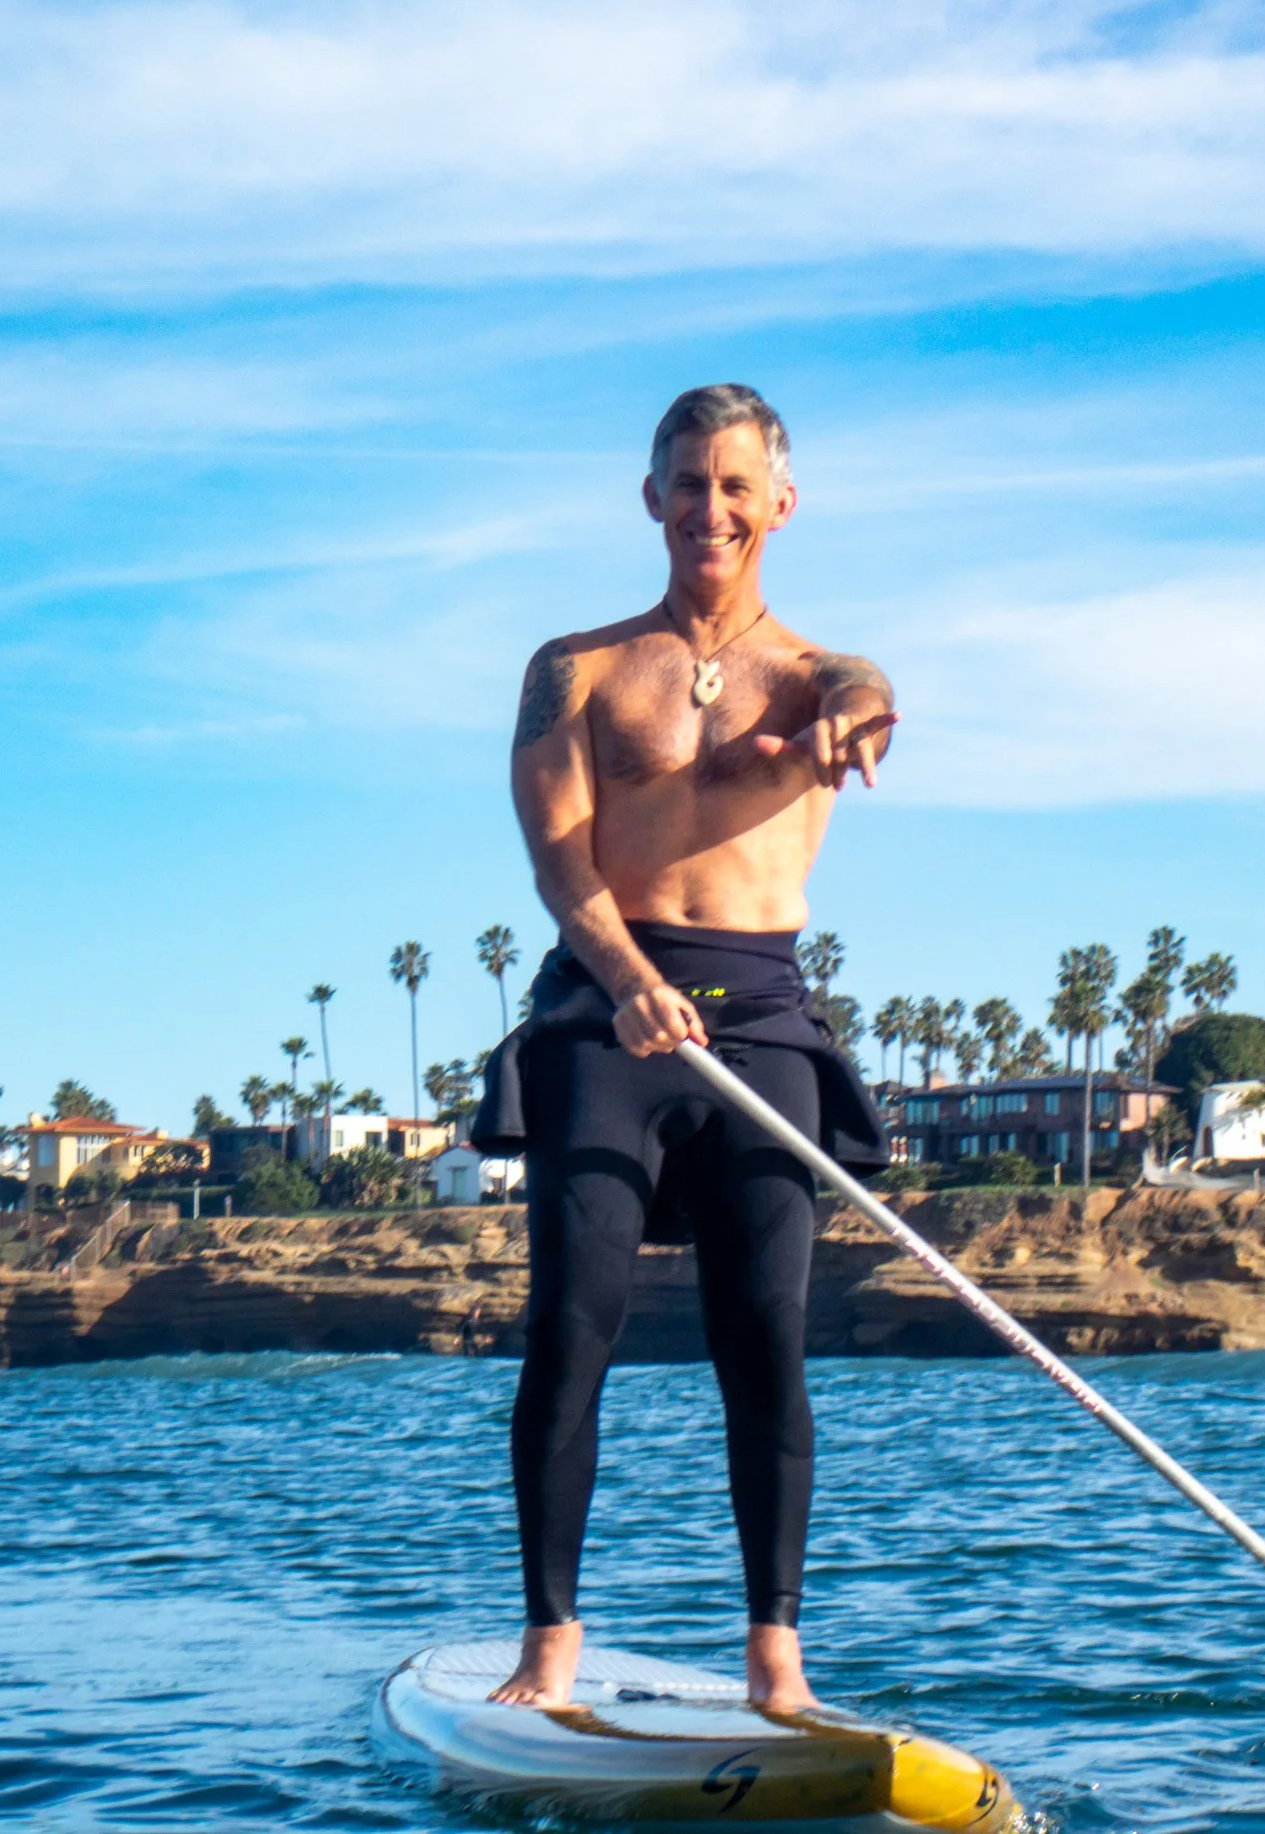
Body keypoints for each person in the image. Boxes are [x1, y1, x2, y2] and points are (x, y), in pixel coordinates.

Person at [470, 384, 896, 1712]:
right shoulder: (575, 667)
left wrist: (851, 722)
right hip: (607, 1009)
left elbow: (868, 696)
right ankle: (549, 1649)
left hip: (764, 1019)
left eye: (734, 484)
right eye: (685, 482)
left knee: (763, 1331)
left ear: (779, 501)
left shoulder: (820, 674)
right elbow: (558, 861)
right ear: (648, 496)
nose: (710, 508)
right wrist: (632, 981)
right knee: (573, 1326)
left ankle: (777, 1658)